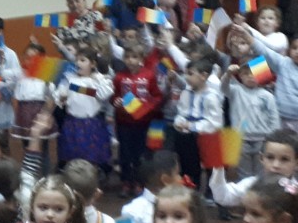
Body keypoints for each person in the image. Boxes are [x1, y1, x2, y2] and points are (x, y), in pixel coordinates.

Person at [238, 26, 298, 158]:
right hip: (280, 119)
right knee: (280, 153)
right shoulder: (283, 64)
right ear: (289, 50)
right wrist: (247, 37)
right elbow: (264, 51)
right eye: (294, 48)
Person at [210, 128, 298, 223]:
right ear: (262, 158)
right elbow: (223, 197)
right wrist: (218, 166)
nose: (276, 165)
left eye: (284, 159)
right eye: (270, 157)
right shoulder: (252, 184)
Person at [112, 41, 163, 197]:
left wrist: (146, 107)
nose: (130, 60)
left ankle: (140, 182)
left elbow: (157, 96)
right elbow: (114, 95)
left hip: (143, 122)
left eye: (134, 57)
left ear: (141, 58)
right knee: (125, 153)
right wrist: (115, 101)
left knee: (140, 154)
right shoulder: (119, 77)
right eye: (127, 57)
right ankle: (126, 182)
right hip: (123, 122)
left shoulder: (149, 75)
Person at [55, 47, 114, 173]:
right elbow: (59, 94)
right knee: (72, 156)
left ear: (92, 64)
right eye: (77, 60)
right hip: (72, 123)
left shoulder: (99, 79)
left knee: (91, 157)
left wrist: (95, 80)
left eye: (82, 60)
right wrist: (61, 97)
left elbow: (103, 94)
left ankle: (91, 179)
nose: (78, 63)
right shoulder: (70, 79)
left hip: (91, 124)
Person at [171, 57, 223, 198]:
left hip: (206, 136)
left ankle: (211, 193)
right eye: (186, 73)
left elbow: (215, 122)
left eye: (191, 74)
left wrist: (193, 126)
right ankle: (190, 191)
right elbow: (181, 112)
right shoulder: (186, 93)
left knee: (210, 166)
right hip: (187, 135)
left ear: (203, 76)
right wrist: (179, 122)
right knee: (188, 165)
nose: (186, 77)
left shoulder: (211, 97)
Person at [223, 62, 280, 181]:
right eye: (246, 73)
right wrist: (228, 74)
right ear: (240, 76)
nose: (250, 76)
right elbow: (223, 87)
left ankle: (259, 191)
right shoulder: (236, 91)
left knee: (262, 171)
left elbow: (274, 117)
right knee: (244, 172)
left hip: (262, 139)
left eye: (254, 74)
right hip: (241, 138)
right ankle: (246, 191)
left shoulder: (267, 96)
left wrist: (274, 138)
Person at [121, 150, 180, 223]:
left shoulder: (129, 210)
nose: (181, 178)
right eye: (177, 174)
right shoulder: (131, 212)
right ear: (165, 180)